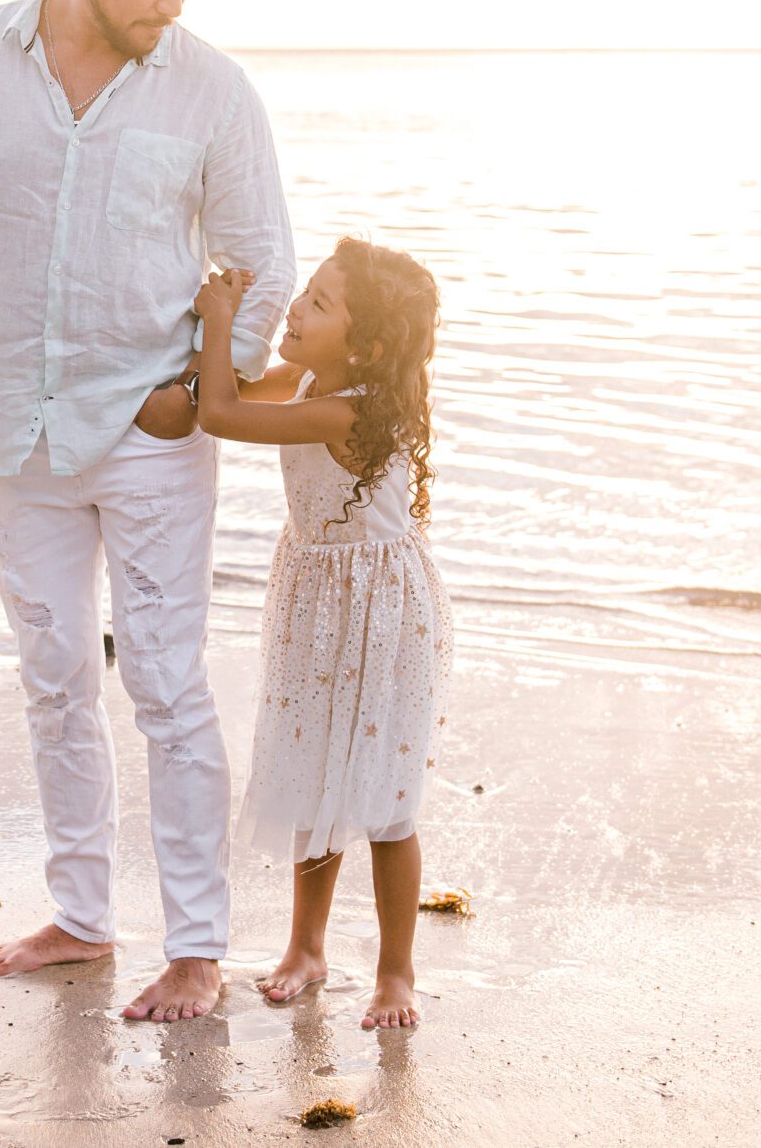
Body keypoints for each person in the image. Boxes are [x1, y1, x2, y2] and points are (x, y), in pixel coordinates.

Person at [0, 0, 295, 1022]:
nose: (176, 2)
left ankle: (198, 944)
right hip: (16, 431)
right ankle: (78, 914)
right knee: (55, 677)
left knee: (166, 683)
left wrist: (195, 390)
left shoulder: (211, 90)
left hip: (155, 431)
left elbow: (261, 260)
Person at [191, 242, 449, 1031]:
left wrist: (220, 315)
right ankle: (307, 947)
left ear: (366, 347)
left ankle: (396, 971)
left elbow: (221, 412)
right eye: (304, 292)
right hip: (318, 595)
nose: (297, 309)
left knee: (385, 802)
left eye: (320, 305)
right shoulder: (310, 379)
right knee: (315, 772)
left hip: (381, 612)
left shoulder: (354, 407)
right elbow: (232, 384)